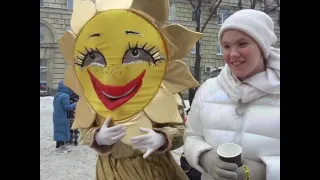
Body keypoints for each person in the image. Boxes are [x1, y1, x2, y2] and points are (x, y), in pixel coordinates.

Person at [183, 9, 280, 180]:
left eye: (242, 44)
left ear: (262, 46)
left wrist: (266, 172)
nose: (233, 54)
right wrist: (205, 157)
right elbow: (192, 136)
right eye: (226, 46)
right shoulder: (208, 89)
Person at [53, 80, 77, 155]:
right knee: (62, 131)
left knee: (61, 131)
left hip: (58, 116)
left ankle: (63, 146)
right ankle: (59, 149)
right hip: (62, 117)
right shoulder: (65, 96)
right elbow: (67, 107)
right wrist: (75, 104)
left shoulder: (58, 94)